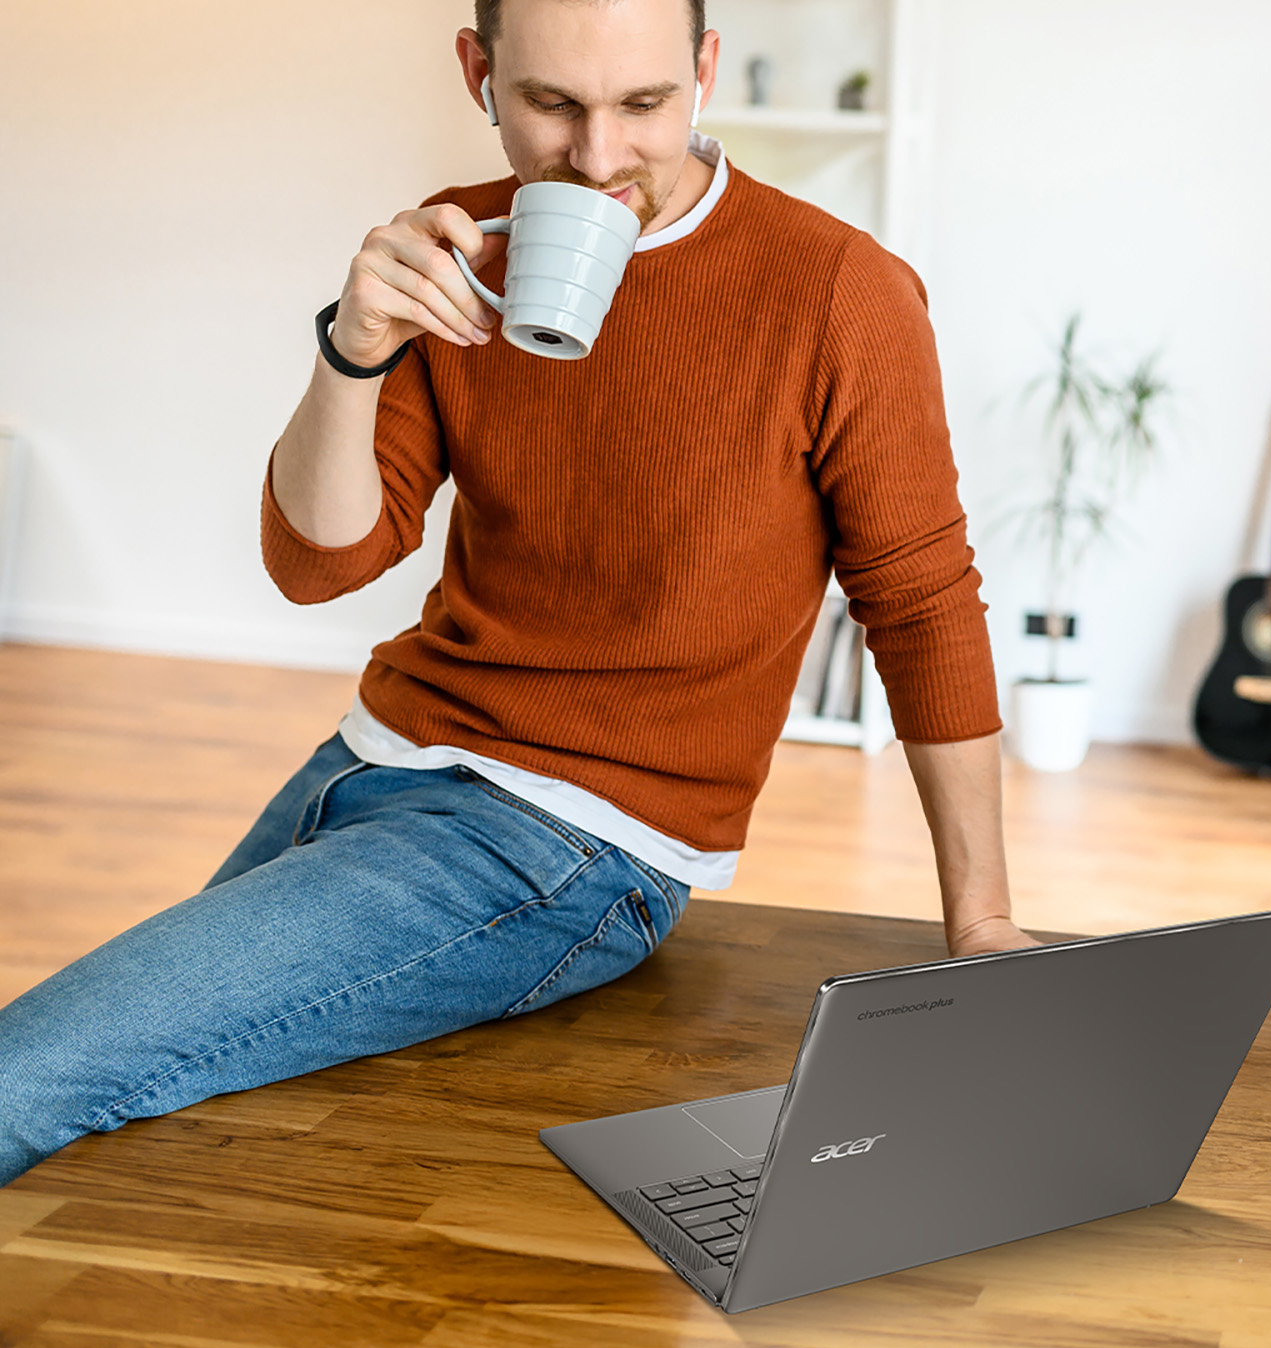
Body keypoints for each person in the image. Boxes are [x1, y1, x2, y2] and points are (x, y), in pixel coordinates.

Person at [0, 0, 1030, 1186]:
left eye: (642, 104)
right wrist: (354, 347)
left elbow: (922, 602)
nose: (596, 159)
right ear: (478, 72)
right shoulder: (456, 249)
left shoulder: (842, 290)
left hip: (573, 840)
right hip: (374, 763)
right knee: (143, 1116)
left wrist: (983, 924)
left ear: (703, 70)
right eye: (550, 104)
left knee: (33, 1072)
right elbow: (318, 562)